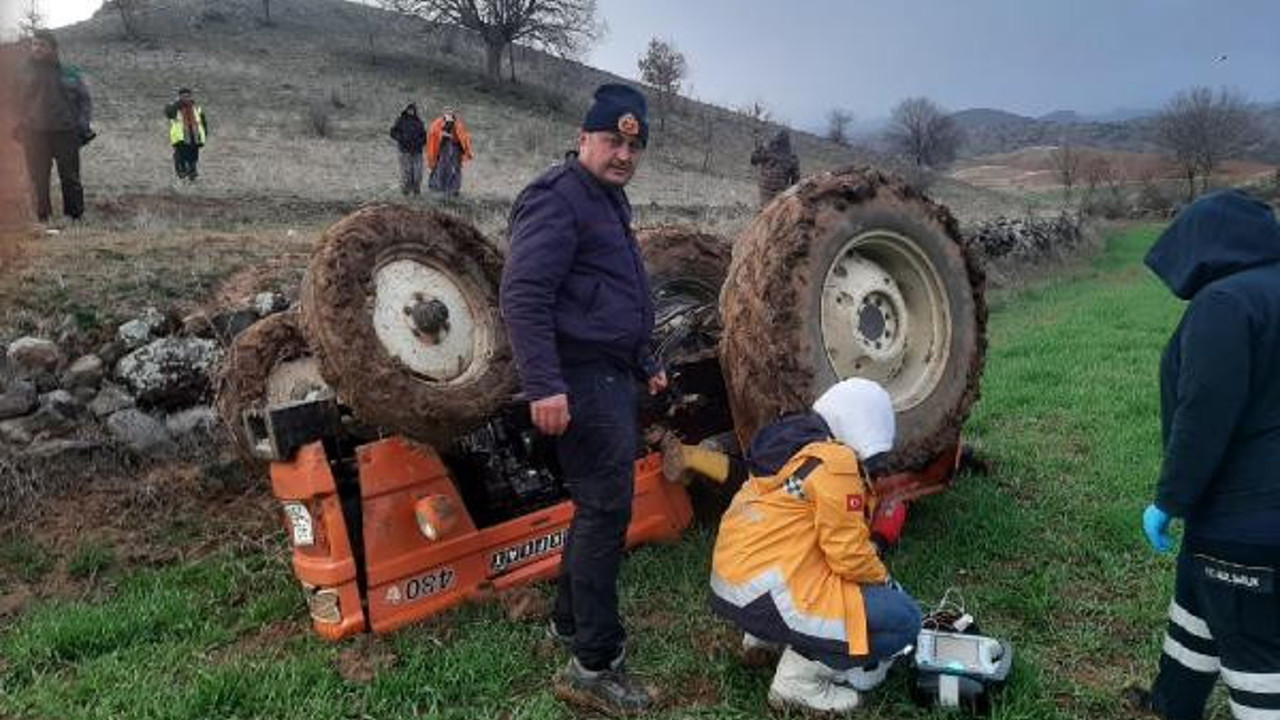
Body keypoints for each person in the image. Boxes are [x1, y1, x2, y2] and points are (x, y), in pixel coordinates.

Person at [500, 83, 665, 716]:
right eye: (612, 140)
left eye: (633, 144)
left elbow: (612, 296)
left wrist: (644, 361)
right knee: (605, 513)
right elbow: (524, 296)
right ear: (583, 137)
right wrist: (544, 385)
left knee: (595, 507)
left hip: (609, 376)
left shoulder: (608, 200)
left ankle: (570, 623)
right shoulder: (559, 198)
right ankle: (594, 663)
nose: (623, 153)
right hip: (578, 381)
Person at [1127, 189, 1280, 720]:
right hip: (1234, 519)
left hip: (1246, 525)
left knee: (1257, 655)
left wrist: (1170, 499)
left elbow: (1205, 415)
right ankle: (1173, 704)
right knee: (1195, 607)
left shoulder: (1225, 303)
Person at [710, 377, 923, 714]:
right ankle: (798, 682)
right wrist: (885, 582)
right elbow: (849, 556)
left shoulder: (789, 446)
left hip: (733, 588)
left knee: (831, 587)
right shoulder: (835, 462)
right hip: (770, 596)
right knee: (904, 619)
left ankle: (763, 640)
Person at [14, 30, 92, 223]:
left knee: (70, 177)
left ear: (53, 48)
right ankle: (42, 216)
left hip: (66, 132)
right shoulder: (22, 72)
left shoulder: (70, 71)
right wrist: (19, 125)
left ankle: (74, 216)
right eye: (34, 44)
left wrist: (82, 125)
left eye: (41, 45)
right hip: (34, 133)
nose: (36, 48)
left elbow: (85, 100)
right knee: (38, 177)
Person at [427, 106, 473, 196]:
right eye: (447, 112)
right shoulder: (438, 122)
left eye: (450, 112)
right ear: (443, 113)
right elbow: (432, 133)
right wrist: (442, 134)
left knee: (456, 169)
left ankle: (454, 190)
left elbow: (464, 135)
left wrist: (463, 142)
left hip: (456, 149)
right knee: (441, 168)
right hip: (442, 148)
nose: (449, 114)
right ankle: (438, 189)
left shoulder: (458, 123)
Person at [164, 88, 207, 181]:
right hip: (180, 138)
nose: (186, 98)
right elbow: (169, 114)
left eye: (188, 96)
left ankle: (192, 174)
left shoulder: (196, 108)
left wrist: (204, 136)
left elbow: (203, 123)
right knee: (180, 157)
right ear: (179, 96)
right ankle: (181, 175)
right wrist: (177, 104)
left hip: (195, 137)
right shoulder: (173, 107)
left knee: (193, 159)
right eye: (183, 96)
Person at [749, 129, 800, 207]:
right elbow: (795, 181)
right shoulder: (792, 158)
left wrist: (758, 150)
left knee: (765, 209)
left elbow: (753, 161)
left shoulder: (767, 151)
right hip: (780, 192)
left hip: (765, 190)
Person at [389, 103, 427, 196]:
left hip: (417, 152)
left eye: (413, 110)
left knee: (418, 174)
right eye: (409, 109)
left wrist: (420, 142)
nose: (411, 111)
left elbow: (424, 136)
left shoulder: (419, 122)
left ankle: (416, 193)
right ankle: (405, 193)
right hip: (404, 151)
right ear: (406, 110)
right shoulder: (400, 121)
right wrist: (401, 138)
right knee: (407, 174)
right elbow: (393, 132)